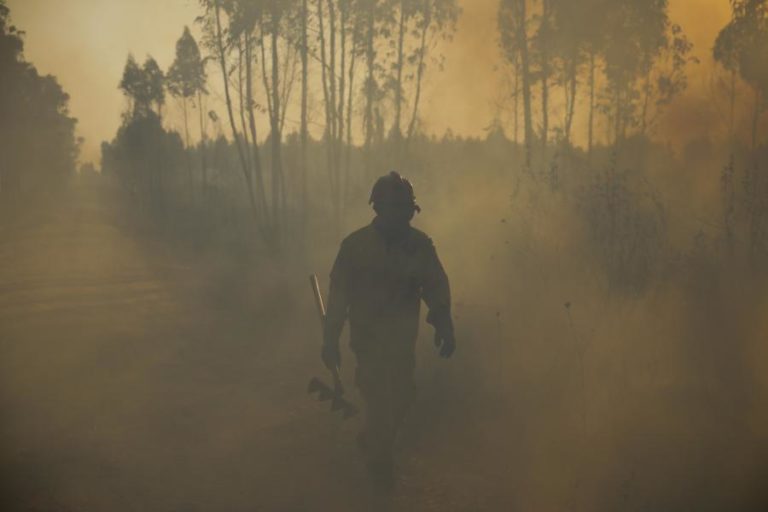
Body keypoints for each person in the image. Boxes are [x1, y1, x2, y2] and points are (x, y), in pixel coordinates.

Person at [321, 171, 456, 487]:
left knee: (401, 398)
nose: (400, 214)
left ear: (411, 210)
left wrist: (443, 322)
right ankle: (381, 468)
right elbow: (338, 295)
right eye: (392, 207)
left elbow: (436, 285)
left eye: (404, 207)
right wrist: (331, 338)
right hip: (367, 340)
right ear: (378, 208)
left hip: (401, 341)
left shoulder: (420, 246)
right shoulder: (355, 246)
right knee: (380, 397)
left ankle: (374, 441)